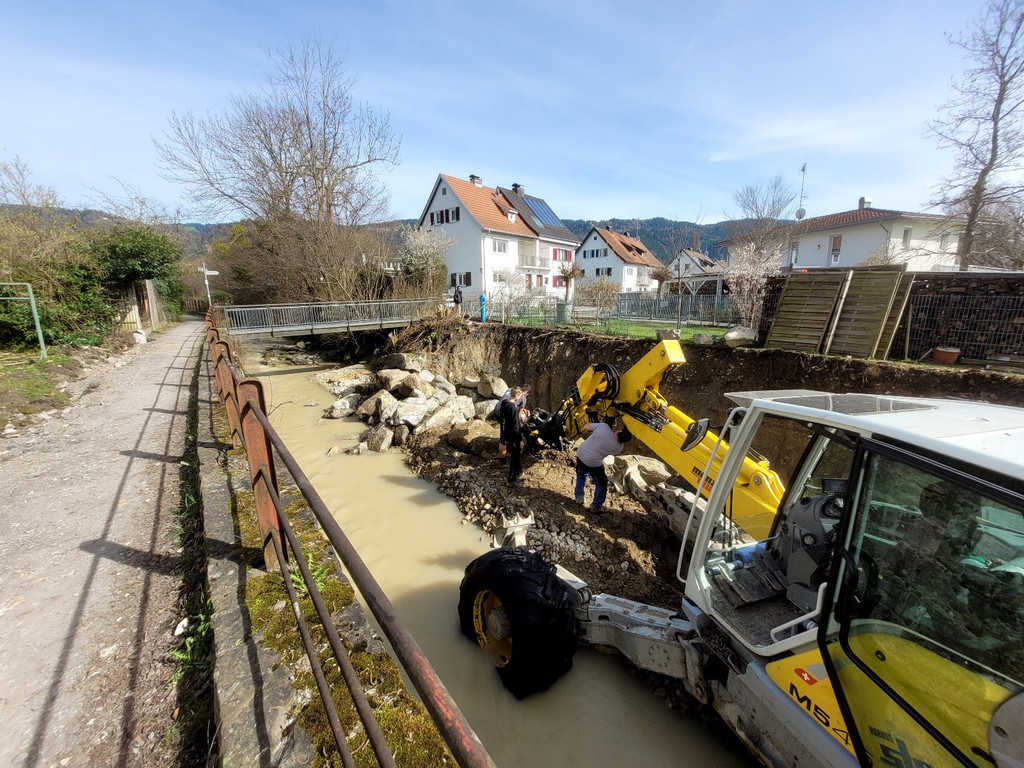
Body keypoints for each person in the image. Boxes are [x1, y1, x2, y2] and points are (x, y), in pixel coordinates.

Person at [574, 421, 632, 512]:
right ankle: (596, 506)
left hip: (581, 454)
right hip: (593, 463)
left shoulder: (603, 427)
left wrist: (598, 424)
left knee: (581, 475)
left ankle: (579, 497)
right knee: (602, 483)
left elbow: (586, 426)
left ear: (619, 430)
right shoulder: (618, 448)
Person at [498, 387, 526, 485]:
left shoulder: (504, 403)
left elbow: (503, 420)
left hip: (506, 432)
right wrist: (520, 440)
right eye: (520, 396)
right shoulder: (513, 408)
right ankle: (512, 479)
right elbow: (516, 426)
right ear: (517, 396)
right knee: (515, 456)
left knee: (515, 456)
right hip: (514, 436)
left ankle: (519, 470)